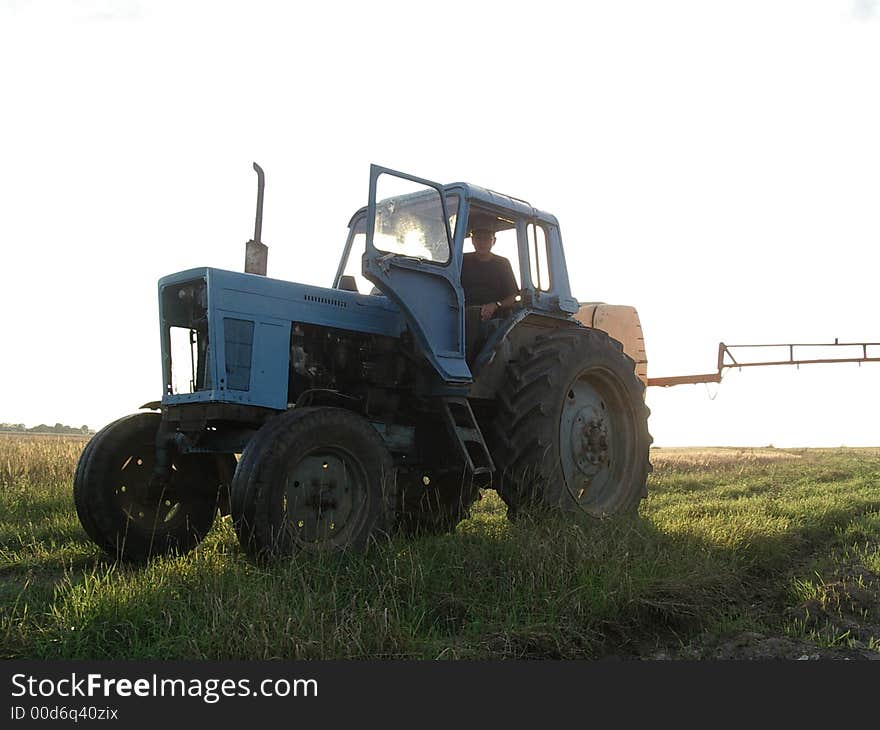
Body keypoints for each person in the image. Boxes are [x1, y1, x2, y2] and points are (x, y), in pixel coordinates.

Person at [461, 227, 519, 321]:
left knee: (473, 314)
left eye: (487, 239)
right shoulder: (462, 260)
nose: (482, 243)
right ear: (472, 240)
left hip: (494, 314)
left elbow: (512, 297)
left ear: (494, 241)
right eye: (478, 238)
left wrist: (496, 305)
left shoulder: (502, 263)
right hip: (462, 309)